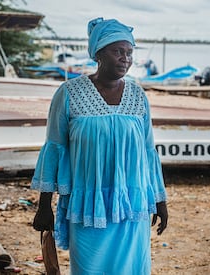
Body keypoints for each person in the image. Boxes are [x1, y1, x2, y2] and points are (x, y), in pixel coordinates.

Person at [31, 17, 168, 274]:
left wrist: (160, 202)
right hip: (87, 206)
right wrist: (43, 206)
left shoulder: (138, 95)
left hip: (132, 205)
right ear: (98, 54)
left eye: (129, 52)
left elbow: (148, 153)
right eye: (118, 51)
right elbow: (54, 149)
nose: (125, 58)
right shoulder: (69, 93)